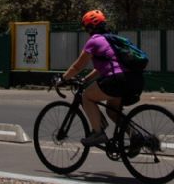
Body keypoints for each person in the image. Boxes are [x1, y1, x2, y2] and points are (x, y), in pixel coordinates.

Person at [59, 9, 144, 146]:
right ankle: (136, 137)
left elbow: (77, 67)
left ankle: (98, 133)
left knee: (86, 96)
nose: (87, 31)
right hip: (133, 79)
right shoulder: (111, 39)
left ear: (91, 27)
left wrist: (62, 79)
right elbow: (101, 69)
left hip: (117, 80)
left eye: (87, 28)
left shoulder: (94, 41)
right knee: (112, 111)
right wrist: (85, 80)